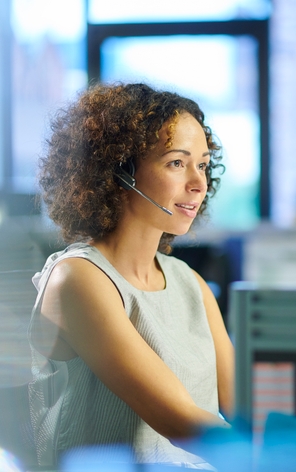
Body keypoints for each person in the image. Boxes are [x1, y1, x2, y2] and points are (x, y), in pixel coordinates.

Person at [28, 83, 234, 469]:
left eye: (203, 165)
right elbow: (179, 420)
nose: (198, 183)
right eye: (177, 163)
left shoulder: (190, 283)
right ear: (119, 170)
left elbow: (246, 406)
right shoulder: (76, 279)